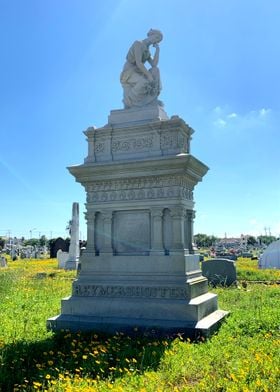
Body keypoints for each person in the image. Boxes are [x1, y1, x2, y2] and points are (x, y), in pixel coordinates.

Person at [120, 29, 163, 108]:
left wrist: (157, 50)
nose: (156, 41)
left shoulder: (147, 50)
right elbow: (138, 63)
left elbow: (154, 64)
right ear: (151, 34)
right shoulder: (138, 43)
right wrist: (149, 76)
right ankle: (130, 101)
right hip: (129, 71)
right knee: (144, 81)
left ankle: (151, 99)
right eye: (156, 37)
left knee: (155, 70)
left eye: (158, 40)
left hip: (139, 71)